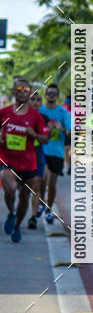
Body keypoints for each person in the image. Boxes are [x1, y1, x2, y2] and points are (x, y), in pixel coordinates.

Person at [0, 78, 49, 243]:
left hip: (28, 163)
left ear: (30, 93)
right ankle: (11, 213)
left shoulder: (36, 116)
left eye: (26, 90)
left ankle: (17, 225)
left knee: (24, 198)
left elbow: (45, 139)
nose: (22, 92)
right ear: (14, 91)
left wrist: (34, 135)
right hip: (7, 160)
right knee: (10, 188)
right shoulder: (4, 113)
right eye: (19, 89)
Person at [39, 83, 71, 224]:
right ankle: (40, 204)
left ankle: (48, 209)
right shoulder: (40, 110)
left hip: (57, 152)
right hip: (42, 150)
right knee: (42, 180)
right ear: (46, 95)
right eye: (49, 93)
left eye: (53, 93)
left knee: (52, 184)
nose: (51, 95)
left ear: (57, 96)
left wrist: (61, 128)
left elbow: (71, 131)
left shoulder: (63, 113)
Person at [27, 89, 46, 229]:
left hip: (37, 153)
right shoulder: (19, 116)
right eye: (33, 99)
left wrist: (35, 135)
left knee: (36, 185)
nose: (35, 102)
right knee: (20, 188)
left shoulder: (44, 118)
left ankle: (33, 216)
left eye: (38, 100)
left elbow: (46, 139)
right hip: (20, 154)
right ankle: (15, 211)